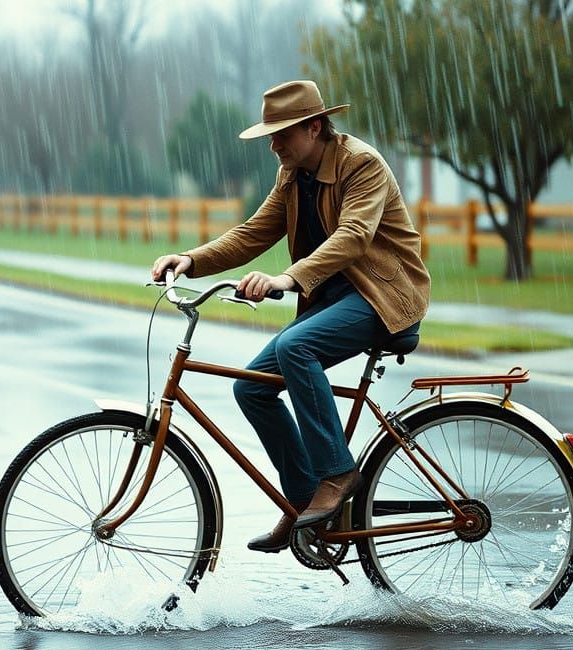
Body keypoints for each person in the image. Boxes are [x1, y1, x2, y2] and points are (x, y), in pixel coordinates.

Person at [151, 80, 430, 553]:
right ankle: (305, 507)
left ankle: (338, 474)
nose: (273, 144)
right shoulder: (292, 175)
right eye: (270, 135)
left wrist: (287, 278)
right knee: (252, 386)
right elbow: (252, 233)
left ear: (314, 127)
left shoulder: (361, 164)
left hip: (383, 296)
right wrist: (191, 259)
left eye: (281, 134)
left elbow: (354, 236)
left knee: (294, 347)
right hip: (335, 299)